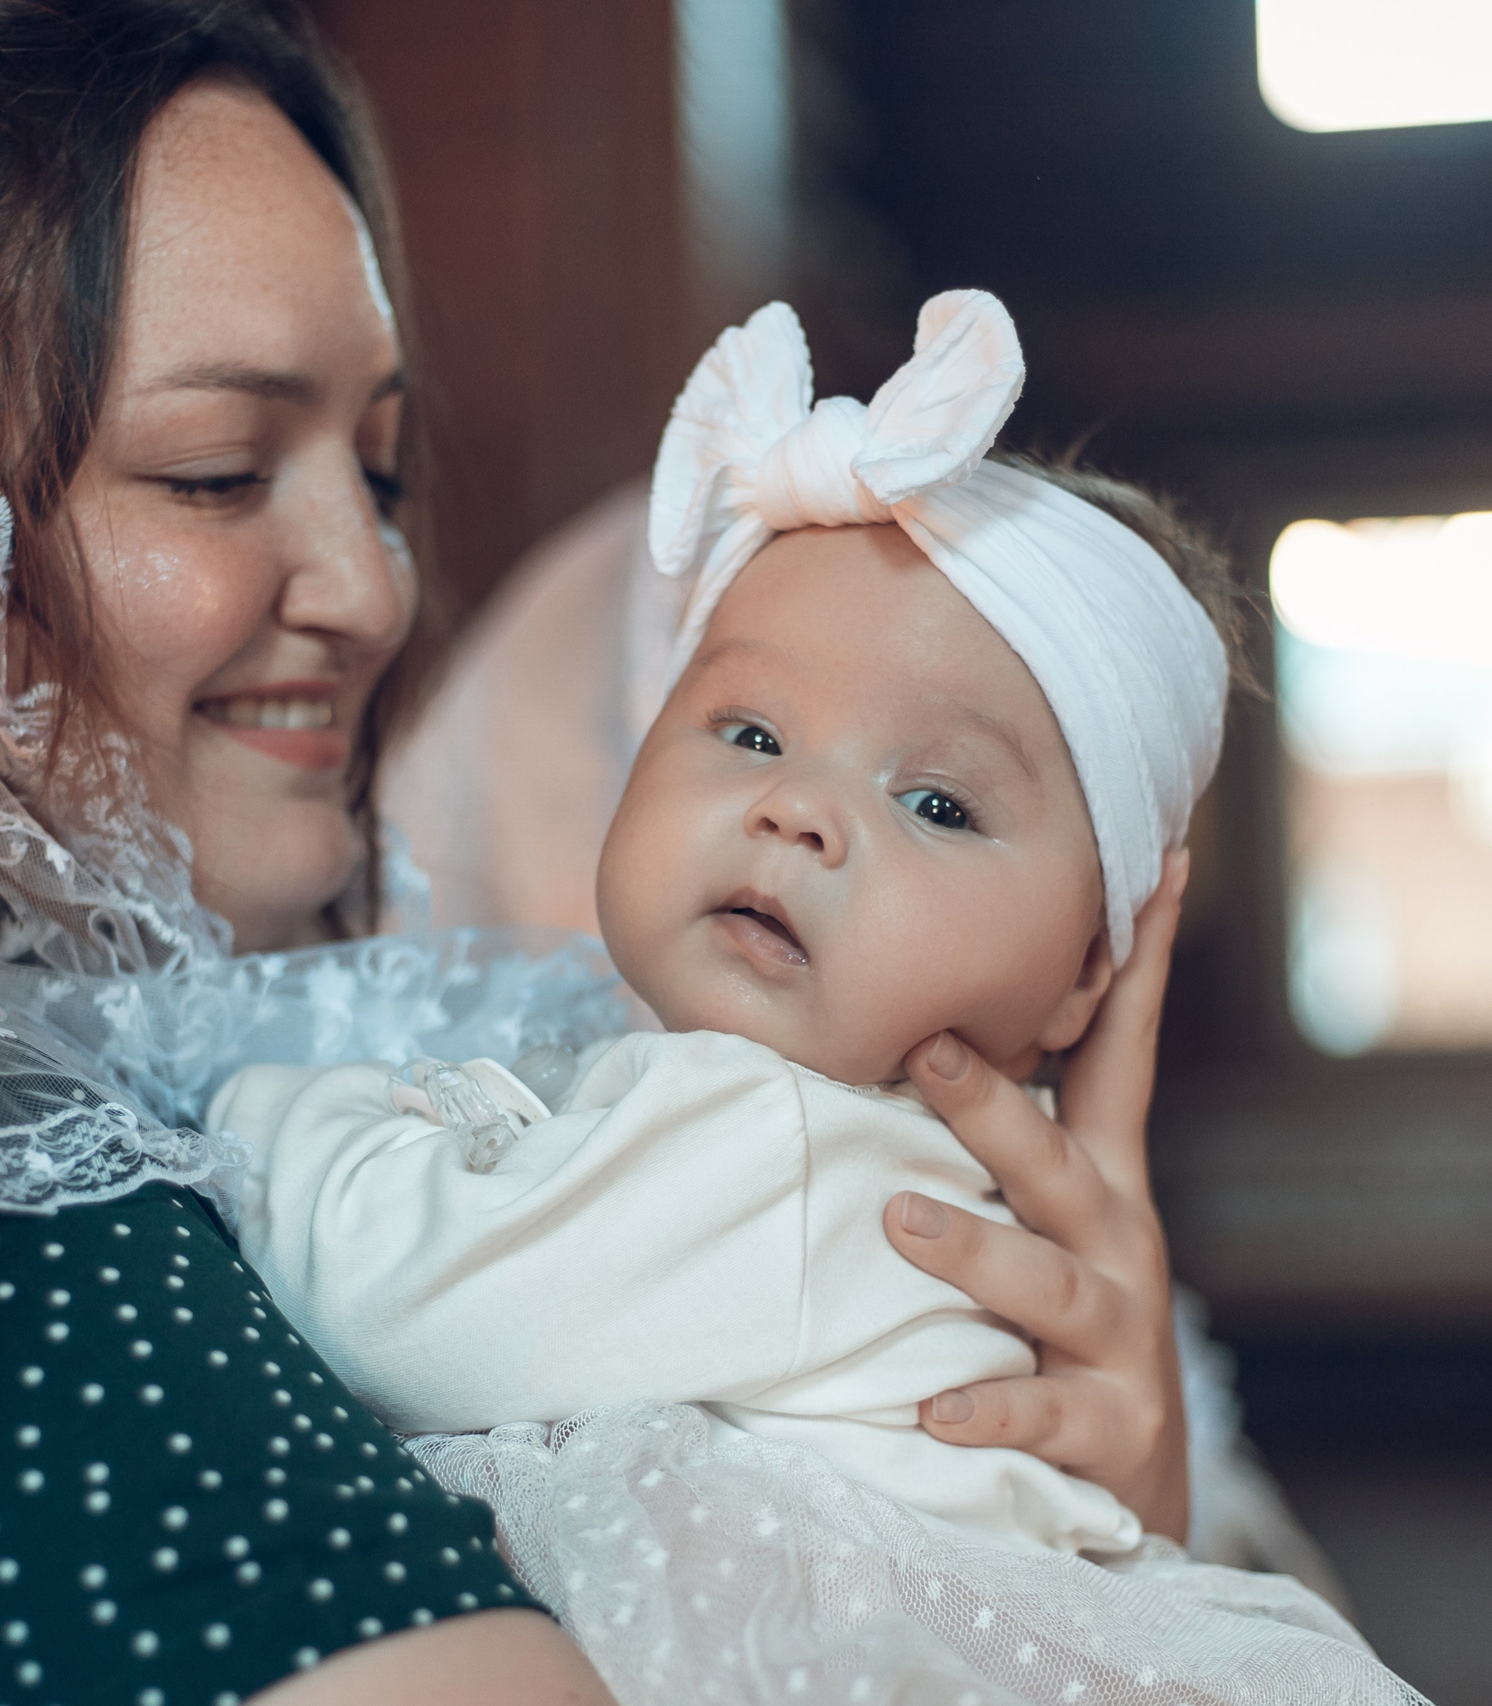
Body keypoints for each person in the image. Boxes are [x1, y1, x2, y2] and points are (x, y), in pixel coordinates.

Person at [0, 2, 1197, 1701]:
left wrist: (1120, 1502)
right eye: (219, 471)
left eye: (381, 474)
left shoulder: (261, 1029)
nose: (375, 585)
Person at [207, 296, 1416, 1702]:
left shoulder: (786, 1148)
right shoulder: (859, 1152)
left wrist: (262, 1108)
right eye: (750, 731)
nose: (797, 809)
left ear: (1091, 971)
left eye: (937, 802)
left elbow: (396, 1292)